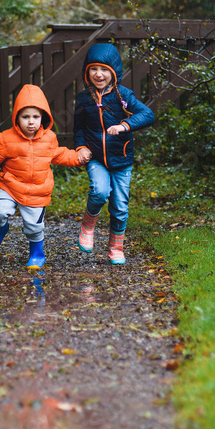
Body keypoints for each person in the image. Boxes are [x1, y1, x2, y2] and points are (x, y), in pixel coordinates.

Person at [0, 84, 91, 268]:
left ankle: (37, 253)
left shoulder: (49, 138)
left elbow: (61, 154)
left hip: (37, 191)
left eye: (36, 117)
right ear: (16, 118)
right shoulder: (5, 139)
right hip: (10, 186)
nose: (31, 122)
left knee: (34, 226)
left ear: (43, 117)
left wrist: (79, 157)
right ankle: (1, 228)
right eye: (26, 117)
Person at [73, 43, 155, 264]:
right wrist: (81, 148)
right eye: (94, 69)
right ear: (87, 72)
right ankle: (88, 225)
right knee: (99, 191)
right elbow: (79, 128)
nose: (99, 75)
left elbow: (147, 114)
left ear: (113, 72)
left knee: (119, 206)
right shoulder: (83, 99)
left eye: (105, 70)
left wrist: (125, 125)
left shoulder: (123, 96)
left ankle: (116, 247)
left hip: (122, 159)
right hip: (97, 159)